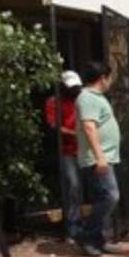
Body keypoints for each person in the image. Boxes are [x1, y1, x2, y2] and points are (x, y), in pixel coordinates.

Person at [74, 62, 121, 257]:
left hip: (104, 157)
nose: (110, 82)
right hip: (97, 159)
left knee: (104, 198)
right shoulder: (88, 98)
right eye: (109, 78)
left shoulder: (95, 98)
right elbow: (89, 127)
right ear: (103, 77)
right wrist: (100, 156)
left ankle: (99, 239)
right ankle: (86, 236)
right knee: (110, 196)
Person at [44, 70, 82, 241]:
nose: (74, 91)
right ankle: (72, 227)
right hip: (68, 150)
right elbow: (55, 127)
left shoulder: (82, 99)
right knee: (73, 186)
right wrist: (75, 134)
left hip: (84, 149)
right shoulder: (54, 102)